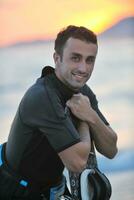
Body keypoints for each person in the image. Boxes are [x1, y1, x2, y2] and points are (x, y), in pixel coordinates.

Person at [0, 25, 118, 200]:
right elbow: (77, 163)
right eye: (75, 58)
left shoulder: (83, 92)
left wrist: (90, 115)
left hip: (53, 188)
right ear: (57, 58)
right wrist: (85, 121)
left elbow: (111, 149)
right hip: (15, 189)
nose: (83, 69)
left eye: (90, 60)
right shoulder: (43, 96)